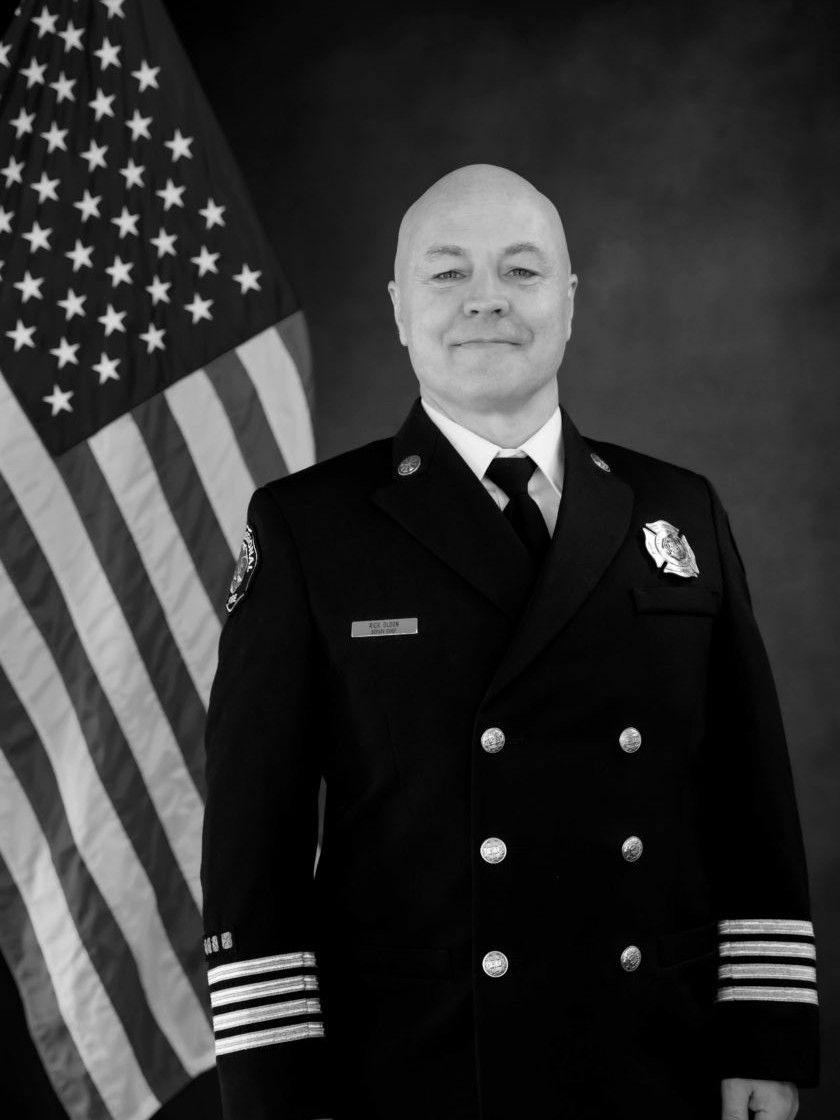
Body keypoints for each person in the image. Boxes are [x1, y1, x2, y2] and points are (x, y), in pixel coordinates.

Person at [200, 165, 819, 1120]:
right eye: (448, 275)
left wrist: (765, 1041)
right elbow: (255, 842)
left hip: (658, 1057)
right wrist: (278, 1092)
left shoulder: (676, 509)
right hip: (415, 1071)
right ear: (401, 308)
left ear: (569, 304)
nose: (486, 299)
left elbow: (752, 803)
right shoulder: (307, 529)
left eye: (522, 272)